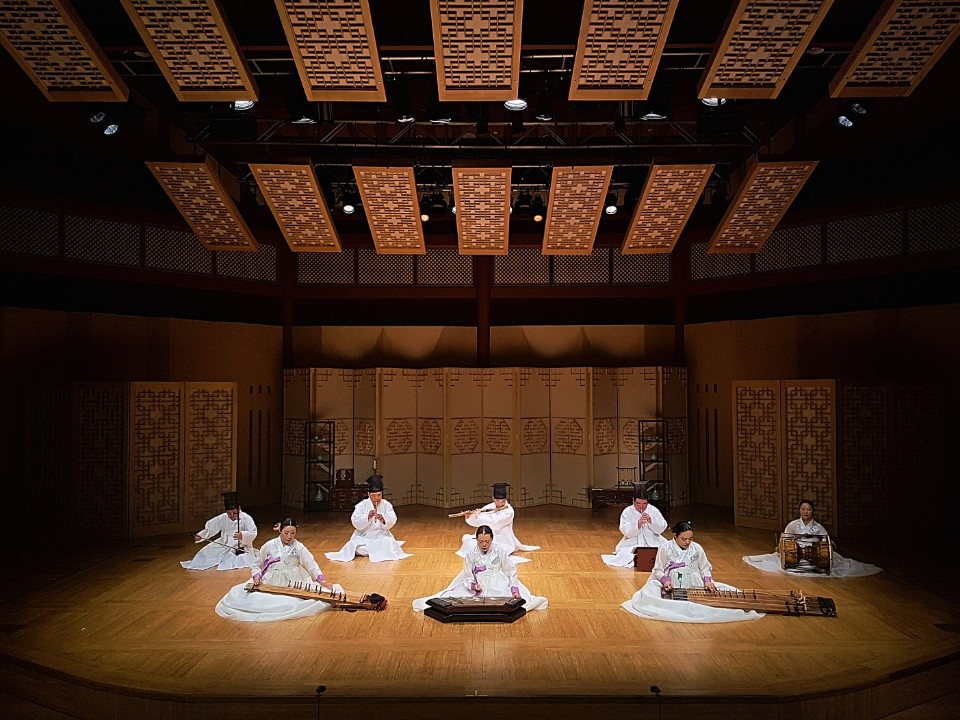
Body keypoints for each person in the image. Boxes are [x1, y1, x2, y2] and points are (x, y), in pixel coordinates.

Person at [622, 521, 763, 623]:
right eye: (684, 539)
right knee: (656, 599)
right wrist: (666, 581)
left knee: (722, 593)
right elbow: (658, 569)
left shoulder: (697, 548)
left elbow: (705, 567)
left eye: (690, 539)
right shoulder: (665, 547)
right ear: (675, 536)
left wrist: (707, 581)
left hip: (694, 580)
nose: (688, 542)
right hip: (673, 580)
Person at [216, 517, 341, 622]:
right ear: (280, 530)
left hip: (294, 579)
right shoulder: (269, 545)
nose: (289, 536)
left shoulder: (299, 547)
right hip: (272, 578)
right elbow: (257, 564)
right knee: (259, 600)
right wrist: (257, 576)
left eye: (293, 533)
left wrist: (322, 580)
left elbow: (311, 564)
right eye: (286, 532)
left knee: (299, 600)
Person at [413, 525, 548, 612]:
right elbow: (466, 575)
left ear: (492, 540)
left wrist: (514, 588)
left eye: (487, 542)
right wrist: (473, 585)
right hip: (479, 582)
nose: (484, 544)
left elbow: (510, 570)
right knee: (458, 599)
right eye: (481, 541)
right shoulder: (471, 554)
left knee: (507, 600)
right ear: (477, 540)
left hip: (497, 581)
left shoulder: (499, 550)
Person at [742, 498, 882, 578]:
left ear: (812, 511)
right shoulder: (793, 525)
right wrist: (781, 547)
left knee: (826, 560)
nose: (806, 512)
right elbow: (785, 538)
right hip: (796, 553)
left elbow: (825, 540)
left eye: (808, 509)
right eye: (803, 509)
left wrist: (829, 545)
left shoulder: (818, 527)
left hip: (813, 553)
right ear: (799, 511)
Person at [325, 475, 411, 563]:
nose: (376, 498)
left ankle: (374, 550)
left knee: (388, 542)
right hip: (364, 535)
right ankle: (374, 550)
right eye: (373, 495)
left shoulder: (386, 505)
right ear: (368, 494)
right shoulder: (361, 505)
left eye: (379, 495)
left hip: (381, 535)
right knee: (353, 545)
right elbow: (355, 521)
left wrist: (383, 519)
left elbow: (393, 518)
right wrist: (367, 517)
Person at [455, 483, 539, 563]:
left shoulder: (509, 511)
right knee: (468, 542)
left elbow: (496, 523)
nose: (500, 503)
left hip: (503, 540)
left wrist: (479, 516)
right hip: (488, 536)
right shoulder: (490, 506)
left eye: (503, 501)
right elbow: (478, 522)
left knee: (495, 552)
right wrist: (469, 516)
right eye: (498, 501)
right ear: (493, 499)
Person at [181, 491, 257, 571]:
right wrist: (201, 536)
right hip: (223, 543)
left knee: (238, 559)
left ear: (239, 509)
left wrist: (243, 535)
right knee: (205, 553)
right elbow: (211, 529)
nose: (231, 515)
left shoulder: (246, 518)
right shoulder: (223, 518)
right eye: (229, 513)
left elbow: (253, 532)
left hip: (241, 545)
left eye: (234, 513)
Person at [601, 490, 668, 567]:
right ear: (633, 501)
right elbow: (624, 529)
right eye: (638, 503)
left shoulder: (653, 510)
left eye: (644, 504)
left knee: (665, 551)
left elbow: (662, 526)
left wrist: (651, 521)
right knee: (626, 554)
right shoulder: (627, 511)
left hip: (653, 539)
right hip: (633, 541)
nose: (641, 506)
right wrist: (637, 524)